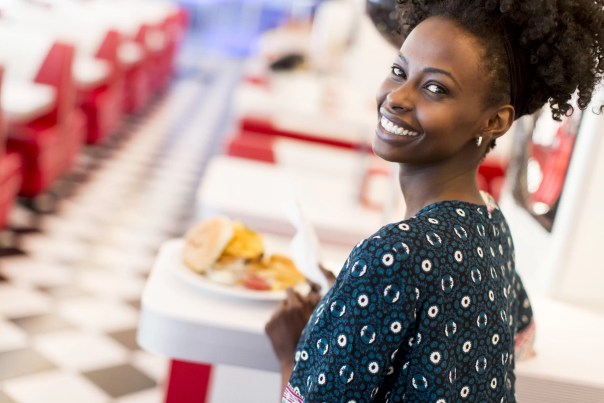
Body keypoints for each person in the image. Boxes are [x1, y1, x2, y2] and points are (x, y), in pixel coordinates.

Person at [265, 0, 604, 401]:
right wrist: (356, 305)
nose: (397, 98)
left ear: (494, 121)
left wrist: (292, 350)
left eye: (435, 88)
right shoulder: (491, 223)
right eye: (399, 71)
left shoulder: (393, 256)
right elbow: (521, 340)